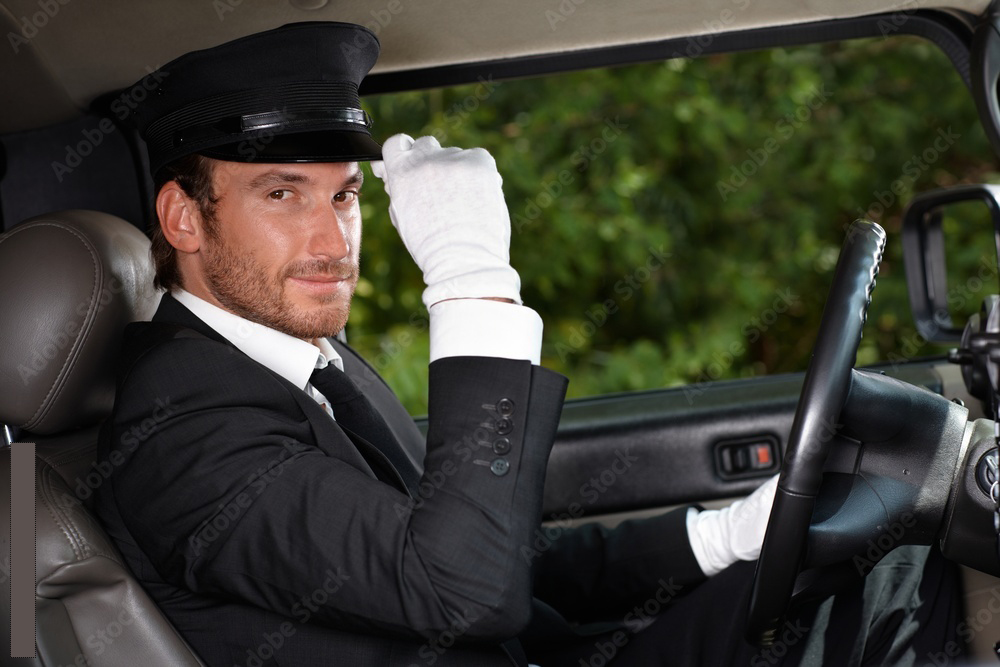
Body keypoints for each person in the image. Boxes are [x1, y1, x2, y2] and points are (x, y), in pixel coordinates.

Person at [93, 20, 961, 667]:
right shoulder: (178, 431)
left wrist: (726, 534)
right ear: (182, 217)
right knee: (901, 612)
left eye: (347, 196)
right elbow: (463, 586)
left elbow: (504, 554)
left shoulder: (304, 361)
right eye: (283, 194)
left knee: (893, 574)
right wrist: (471, 281)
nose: (333, 240)